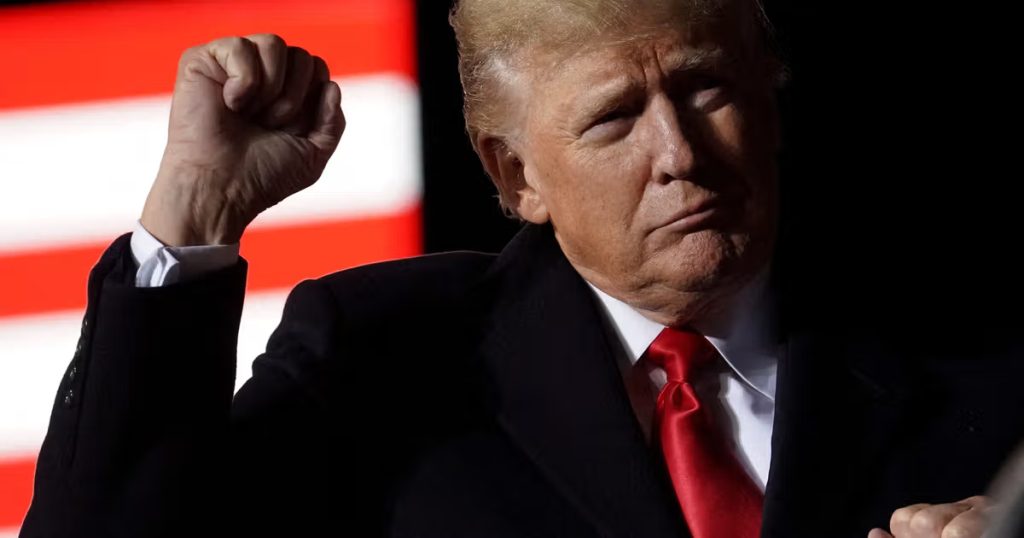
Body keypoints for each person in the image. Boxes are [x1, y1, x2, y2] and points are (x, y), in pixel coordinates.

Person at [20, 1, 1024, 537]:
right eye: (614, 118)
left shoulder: (977, 331)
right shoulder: (384, 358)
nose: (678, 153)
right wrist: (197, 205)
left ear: (770, 96)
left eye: (705, 87)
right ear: (515, 175)